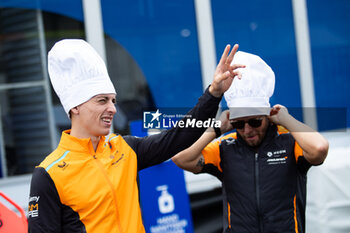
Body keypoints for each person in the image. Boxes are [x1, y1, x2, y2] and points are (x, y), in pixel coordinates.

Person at [27, 39, 245, 233]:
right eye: (102, 100)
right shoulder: (49, 174)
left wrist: (214, 93)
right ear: (75, 107)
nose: (112, 108)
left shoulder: (124, 148)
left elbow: (179, 136)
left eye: (113, 100)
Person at [172, 51, 329, 233]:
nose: (247, 130)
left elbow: (320, 148)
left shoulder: (289, 140)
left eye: (255, 121)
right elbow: (180, 158)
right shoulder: (225, 147)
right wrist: (216, 129)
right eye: (239, 123)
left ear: (267, 116)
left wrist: (286, 119)